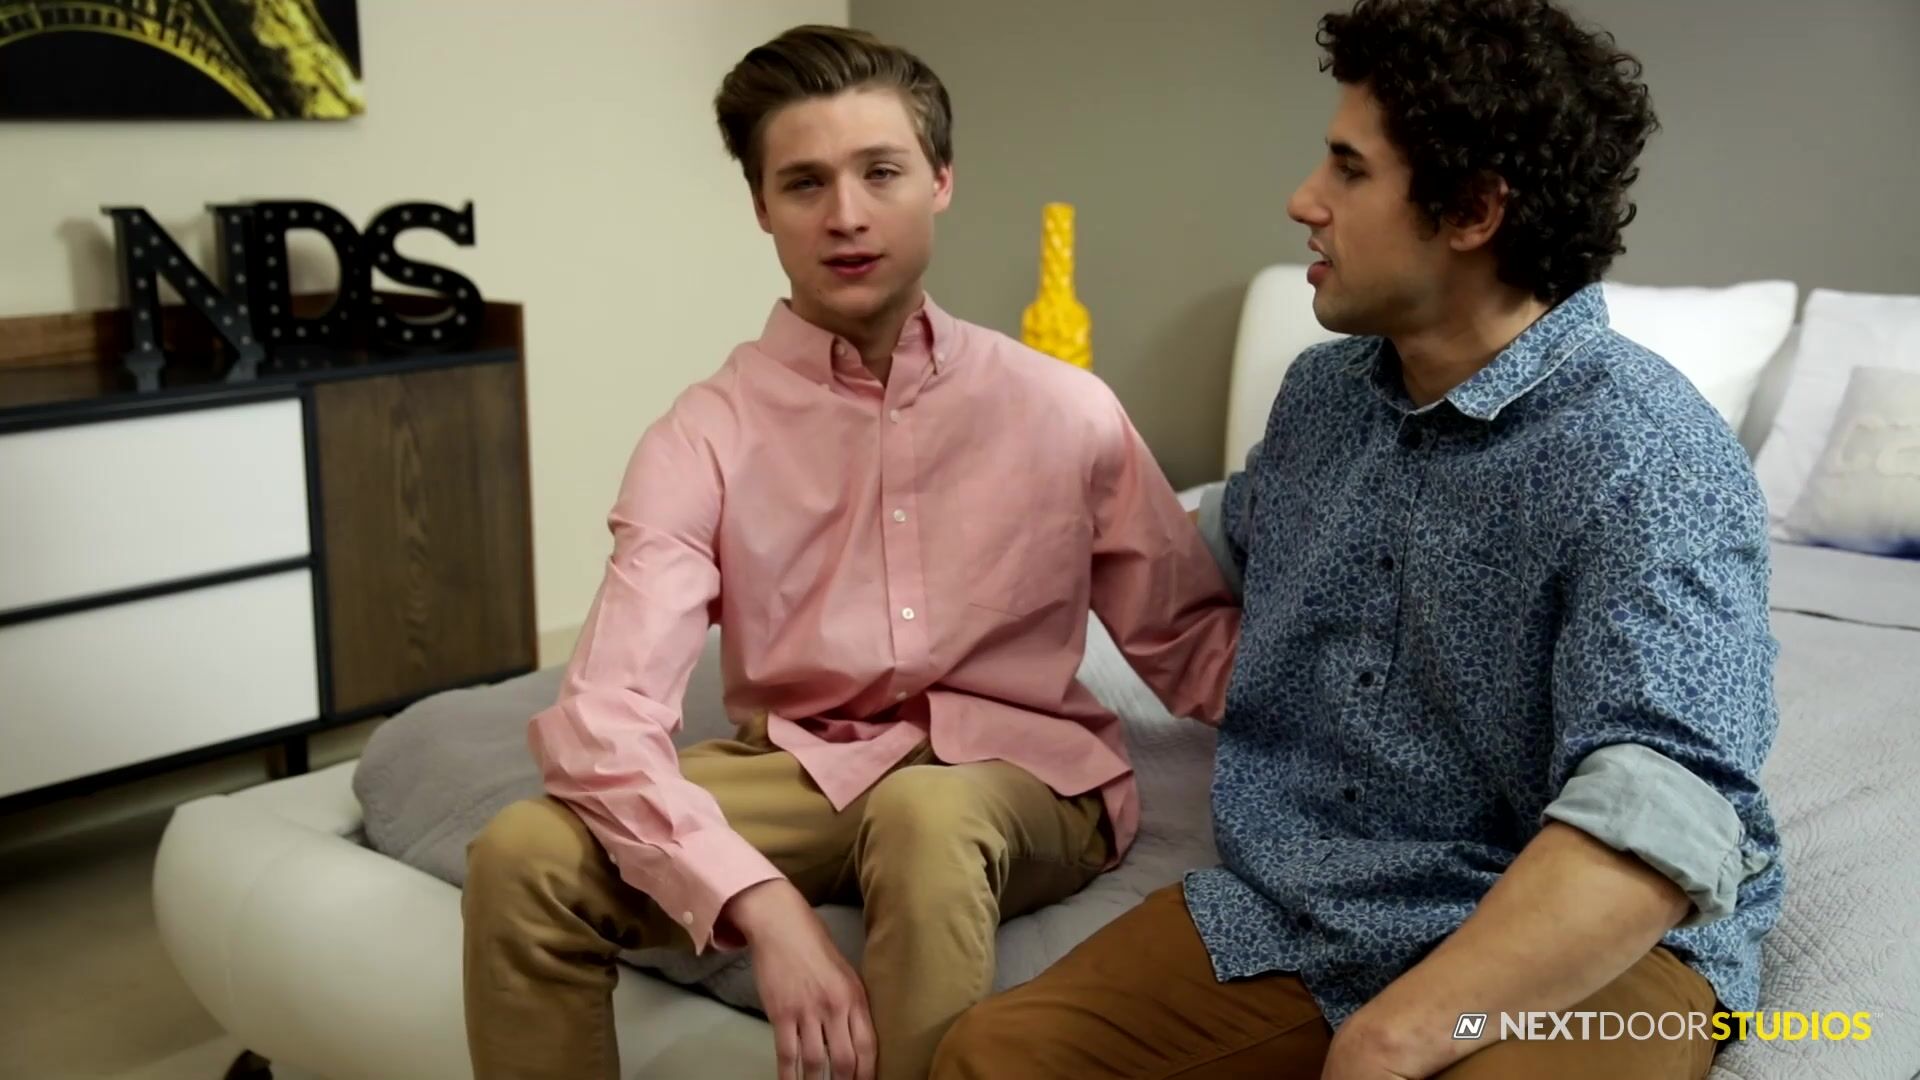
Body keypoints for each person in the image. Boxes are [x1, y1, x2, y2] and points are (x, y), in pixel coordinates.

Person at [932, 1, 1783, 1077]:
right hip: (1315, 900)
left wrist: (1394, 1036)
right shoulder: (1323, 397)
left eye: (1348, 168)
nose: (1304, 200)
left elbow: (1658, 816)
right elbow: (1210, 543)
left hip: (1589, 937)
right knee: (992, 1057)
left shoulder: (1649, 456)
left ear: (1472, 210)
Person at [458, 24, 1240, 1080]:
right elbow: (605, 717)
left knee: (926, 810)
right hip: (805, 769)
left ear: (941, 179)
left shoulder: (1066, 410)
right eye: (804, 183)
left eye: (881, 172)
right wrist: (760, 904)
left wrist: (1392, 732)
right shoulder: (702, 437)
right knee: (522, 853)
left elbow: (1190, 643)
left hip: (1022, 777)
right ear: (760, 207)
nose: (846, 215)